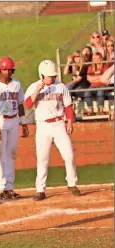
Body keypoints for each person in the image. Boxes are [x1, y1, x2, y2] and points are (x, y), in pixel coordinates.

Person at [24, 60, 81, 201]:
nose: (52, 77)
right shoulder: (34, 87)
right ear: (42, 74)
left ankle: (72, 183)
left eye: (53, 75)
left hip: (59, 124)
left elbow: (68, 105)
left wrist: (69, 122)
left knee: (69, 154)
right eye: (49, 76)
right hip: (43, 126)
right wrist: (37, 90)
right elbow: (27, 104)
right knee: (42, 159)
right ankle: (40, 190)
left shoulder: (61, 87)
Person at [0, 56, 29, 200]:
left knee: (11, 154)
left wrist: (23, 122)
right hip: (0, 121)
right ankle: (0, 188)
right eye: (4, 69)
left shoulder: (17, 84)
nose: (7, 72)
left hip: (14, 120)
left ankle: (9, 187)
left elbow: (20, 104)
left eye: (9, 69)